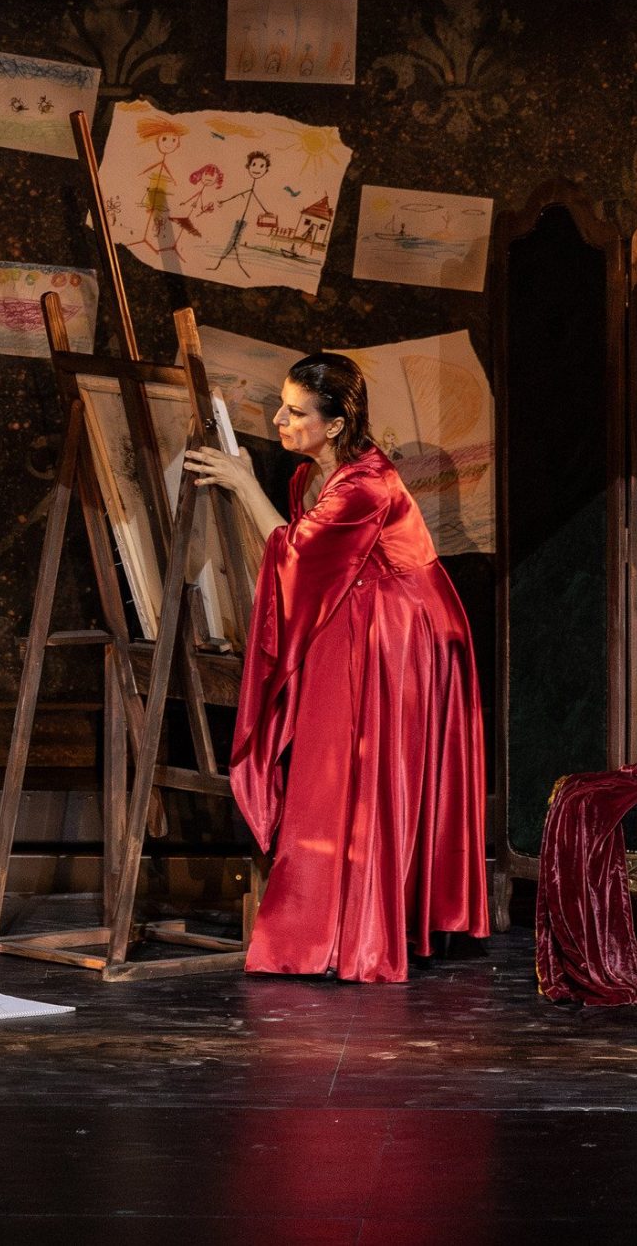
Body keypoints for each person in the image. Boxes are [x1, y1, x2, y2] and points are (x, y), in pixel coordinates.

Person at [182, 353, 488, 983]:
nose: (279, 420)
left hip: (405, 631)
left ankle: (362, 926)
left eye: (296, 412)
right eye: (282, 406)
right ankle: (339, 919)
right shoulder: (308, 476)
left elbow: (297, 557)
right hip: (362, 617)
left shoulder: (365, 485)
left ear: (338, 423)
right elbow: (311, 571)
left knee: (370, 771)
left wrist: (243, 484)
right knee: (335, 768)